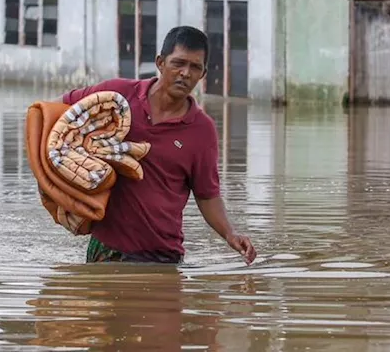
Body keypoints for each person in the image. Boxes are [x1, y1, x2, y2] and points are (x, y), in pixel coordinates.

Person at [58, 25, 257, 266]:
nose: (185, 73)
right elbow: (61, 110)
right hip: (106, 250)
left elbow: (207, 194)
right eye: (178, 63)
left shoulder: (202, 131)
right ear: (160, 62)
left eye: (195, 67)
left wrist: (229, 233)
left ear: (203, 74)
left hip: (162, 256)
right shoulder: (118, 96)